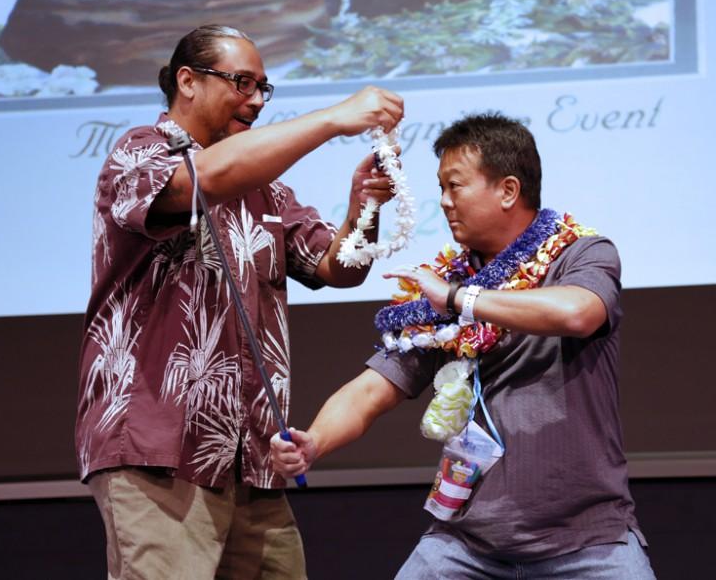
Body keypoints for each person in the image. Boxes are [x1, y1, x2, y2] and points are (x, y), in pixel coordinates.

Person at [75, 24, 403, 579]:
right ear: (188, 81)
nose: (255, 100)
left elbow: (337, 269)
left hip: (250, 456)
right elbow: (199, 181)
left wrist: (364, 208)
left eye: (262, 88)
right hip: (160, 448)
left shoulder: (264, 188)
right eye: (241, 83)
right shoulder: (140, 151)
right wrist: (334, 118)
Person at [271, 113, 656, 578]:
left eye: (455, 186)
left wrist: (460, 300)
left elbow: (579, 313)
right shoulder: (447, 281)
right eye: (441, 188)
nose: (444, 201)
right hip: (467, 544)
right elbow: (373, 389)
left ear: (508, 191)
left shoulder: (581, 253)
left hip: (588, 541)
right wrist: (314, 442)